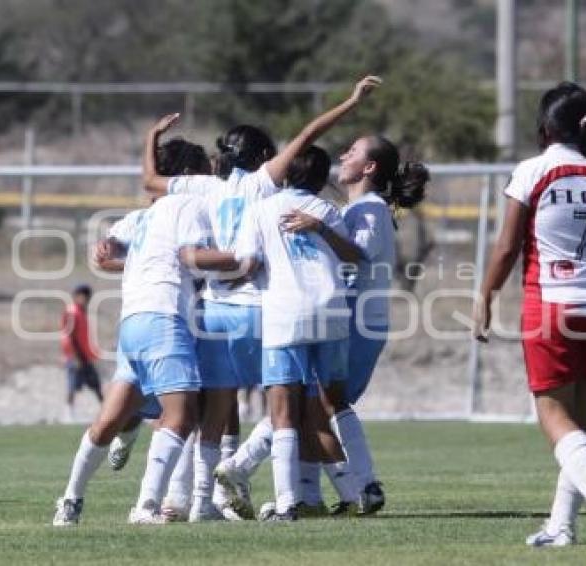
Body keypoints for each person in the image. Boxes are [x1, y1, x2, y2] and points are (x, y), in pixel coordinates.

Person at [143, 75, 382, 522]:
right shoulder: (263, 186)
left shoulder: (202, 186)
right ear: (266, 157)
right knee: (295, 406)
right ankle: (322, 491)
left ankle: (200, 503)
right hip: (263, 309)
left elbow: (151, 180)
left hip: (216, 310)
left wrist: (152, 137)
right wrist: (351, 101)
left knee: (217, 409)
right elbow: (310, 135)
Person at [472, 82, 586, 547]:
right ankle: (561, 526)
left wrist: (484, 296)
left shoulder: (533, 171)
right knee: (582, 423)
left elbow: (507, 246)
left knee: (553, 415)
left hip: (551, 304)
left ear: (543, 131)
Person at [52, 139, 212, 527]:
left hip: (133, 320)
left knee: (107, 421)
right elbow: (194, 257)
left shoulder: (143, 217)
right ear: (188, 176)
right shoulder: (188, 204)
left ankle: (70, 501)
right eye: (205, 171)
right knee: (181, 417)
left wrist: (114, 252)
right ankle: (146, 506)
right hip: (164, 316)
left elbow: (103, 254)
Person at [280, 135, 429, 514]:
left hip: (361, 323)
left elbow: (359, 256)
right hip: (351, 321)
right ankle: (318, 494)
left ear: (369, 168)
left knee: (315, 403)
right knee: (316, 406)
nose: (343, 155)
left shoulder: (372, 209)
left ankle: (358, 486)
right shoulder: (356, 208)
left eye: (353, 152)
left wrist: (319, 228)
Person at [216, 145, 358, 521]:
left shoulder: (261, 209)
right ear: (320, 178)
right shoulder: (326, 210)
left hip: (285, 315)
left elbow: (248, 263)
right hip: (331, 312)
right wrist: (323, 229)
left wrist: (227, 283)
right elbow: (354, 256)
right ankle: (355, 490)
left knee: (282, 412)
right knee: (332, 406)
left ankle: (287, 504)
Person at [60, 284, 102, 423]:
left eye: (87, 296)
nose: (85, 299)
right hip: (75, 357)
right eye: (82, 296)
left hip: (85, 356)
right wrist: (75, 356)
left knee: (96, 384)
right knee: (72, 385)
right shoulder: (72, 311)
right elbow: (70, 335)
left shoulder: (82, 312)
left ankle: (106, 410)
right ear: (76, 296)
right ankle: (68, 414)